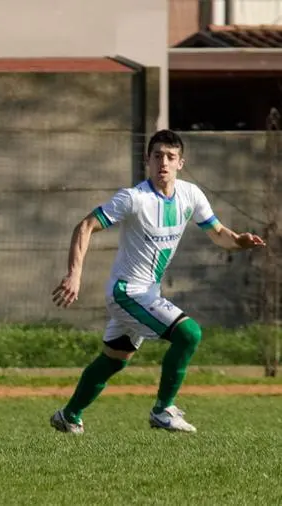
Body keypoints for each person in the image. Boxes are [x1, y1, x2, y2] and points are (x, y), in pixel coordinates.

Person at [50, 129, 265, 434]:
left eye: (170, 156)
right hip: (126, 292)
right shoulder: (133, 198)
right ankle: (162, 410)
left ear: (181, 162)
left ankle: (69, 415)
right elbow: (85, 226)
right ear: (147, 161)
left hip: (145, 294)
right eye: (157, 156)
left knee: (114, 359)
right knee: (189, 334)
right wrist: (74, 273)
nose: (163, 162)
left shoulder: (191, 195)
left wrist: (240, 241)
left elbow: (219, 234)